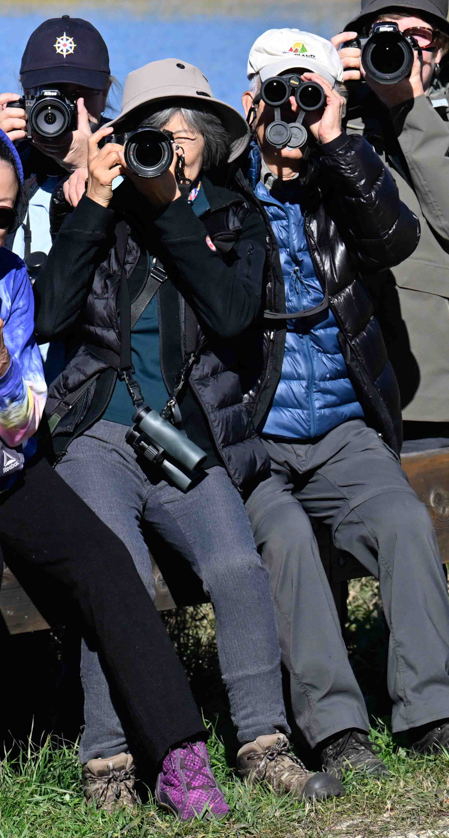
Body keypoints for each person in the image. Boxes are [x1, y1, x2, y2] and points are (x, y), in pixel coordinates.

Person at [0, 114, 230, 832]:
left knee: (105, 558)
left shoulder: (14, 281)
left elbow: (24, 425)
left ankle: (179, 756)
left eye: (1, 214)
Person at [37, 60, 338, 808]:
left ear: (207, 139)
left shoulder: (236, 218)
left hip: (185, 430)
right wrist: (100, 204)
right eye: (151, 133)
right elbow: (50, 314)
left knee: (238, 565)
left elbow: (235, 315)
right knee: (122, 572)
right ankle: (108, 762)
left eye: (181, 132)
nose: (167, 145)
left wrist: (171, 209)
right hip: (99, 429)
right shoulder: (100, 209)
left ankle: (263, 741)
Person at [240, 29, 449, 776]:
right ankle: (337, 728)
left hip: (340, 425)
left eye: (311, 93)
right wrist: (253, 156)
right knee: (292, 542)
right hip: (256, 433)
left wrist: (336, 140)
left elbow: (394, 238)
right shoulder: (221, 190)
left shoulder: (347, 180)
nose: (292, 110)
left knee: (402, 519)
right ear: (251, 101)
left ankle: (432, 709)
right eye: (280, 93)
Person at [334, 0, 449, 452]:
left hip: (436, 389)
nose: (401, 50)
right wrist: (325, 98)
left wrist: (411, 110)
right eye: (385, 34)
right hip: (341, 384)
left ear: (443, 47)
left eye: (419, 36)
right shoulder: (341, 108)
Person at [0, 15, 111, 286]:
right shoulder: (8, 153)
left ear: (105, 93)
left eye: (80, 93)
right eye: (48, 92)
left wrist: (90, 168)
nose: (61, 109)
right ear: (24, 92)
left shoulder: (128, 156)